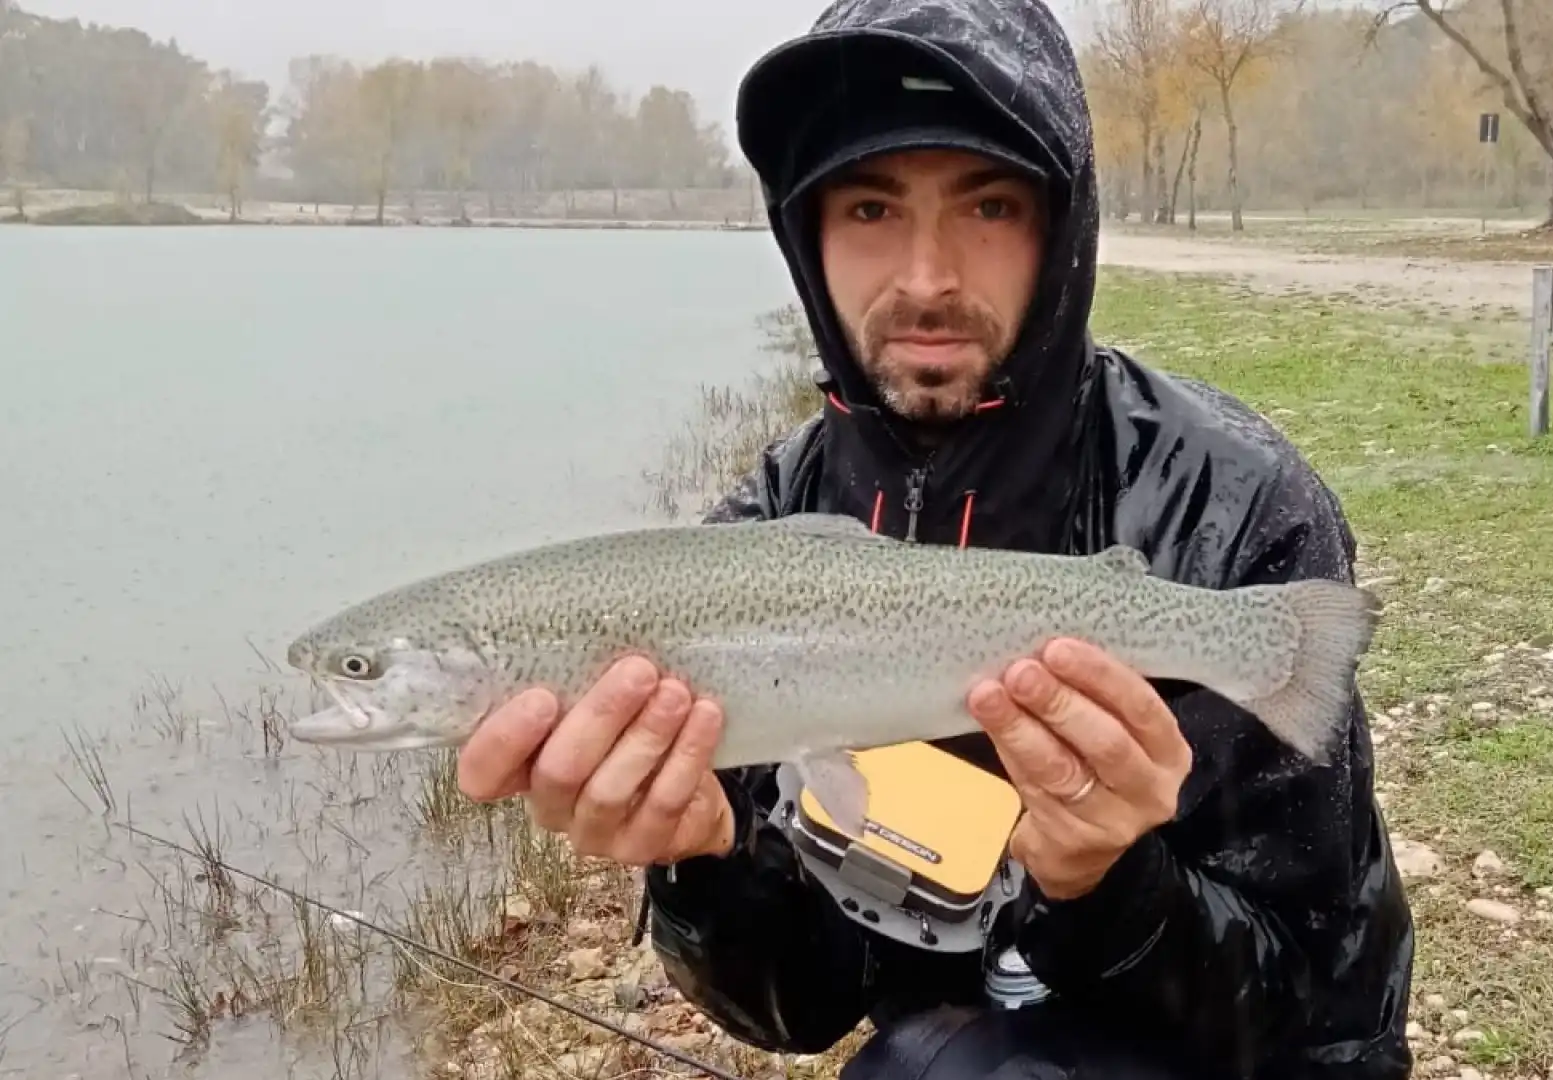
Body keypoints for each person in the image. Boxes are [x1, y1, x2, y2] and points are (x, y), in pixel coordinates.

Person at [454, 0, 1416, 1076]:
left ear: (1064, 228)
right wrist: (701, 862)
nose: (925, 278)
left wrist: (1114, 883)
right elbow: (801, 1011)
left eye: (989, 205)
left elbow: (1330, 1014)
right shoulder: (770, 522)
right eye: (869, 207)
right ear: (805, 237)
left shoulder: (1235, 506)